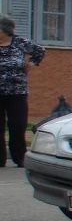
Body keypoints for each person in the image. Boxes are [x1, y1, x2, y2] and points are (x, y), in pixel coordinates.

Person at [0, 14, 46, 168]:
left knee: (18, 125)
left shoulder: (19, 42)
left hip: (17, 92)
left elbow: (40, 51)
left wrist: (31, 64)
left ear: (5, 29)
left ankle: (19, 157)